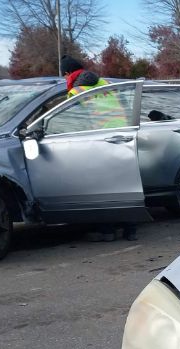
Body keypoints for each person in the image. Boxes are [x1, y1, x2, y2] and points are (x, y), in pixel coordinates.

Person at [61, 56, 137, 241]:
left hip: (99, 141)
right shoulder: (105, 83)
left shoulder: (76, 91)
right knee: (124, 187)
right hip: (122, 137)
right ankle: (130, 230)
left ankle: (107, 230)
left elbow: (74, 122)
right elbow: (125, 108)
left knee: (102, 189)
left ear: (67, 74)